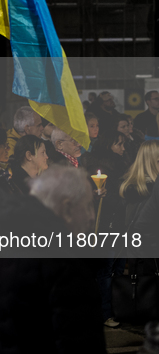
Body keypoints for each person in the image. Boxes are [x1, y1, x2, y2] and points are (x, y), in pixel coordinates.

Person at [0, 166, 106, 353]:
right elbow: (80, 343)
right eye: (88, 205)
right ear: (66, 208)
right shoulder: (66, 263)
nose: (92, 216)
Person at [82, 130, 129, 328]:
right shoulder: (98, 168)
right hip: (103, 227)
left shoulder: (120, 167)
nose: (123, 148)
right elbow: (100, 200)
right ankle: (105, 312)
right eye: (119, 144)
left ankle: (118, 308)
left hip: (118, 225)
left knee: (117, 268)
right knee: (105, 271)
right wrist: (103, 195)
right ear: (108, 145)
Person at [119, 140, 159, 275]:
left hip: (137, 251)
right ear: (153, 162)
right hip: (146, 252)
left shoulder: (131, 186)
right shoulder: (148, 191)